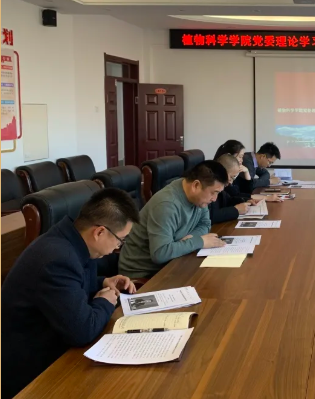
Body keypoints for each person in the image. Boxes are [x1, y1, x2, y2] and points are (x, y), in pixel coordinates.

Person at [1, 188, 140, 398]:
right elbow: (82, 331)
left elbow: (71, 285)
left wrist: (104, 282)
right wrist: (105, 302)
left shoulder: (73, 240)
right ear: (99, 232)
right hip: (29, 371)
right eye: (121, 240)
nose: (118, 247)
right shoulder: (57, 259)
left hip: (54, 342)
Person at [118, 160, 228, 279]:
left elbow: (205, 224)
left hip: (173, 261)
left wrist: (190, 240)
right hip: (143, 275)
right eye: (213, 193)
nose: (215, 199)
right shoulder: (166, 205)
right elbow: (160, 253)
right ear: (196, 185)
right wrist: (199, 241)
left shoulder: (199, 198)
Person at [209, 154, 262, 223]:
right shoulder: (210, 186)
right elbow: (211, 216)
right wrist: (236, 210)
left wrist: (245, 201)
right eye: (231, 177)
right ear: (222, 171)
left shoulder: (222, 189)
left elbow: (228, 200)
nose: (231, 182)